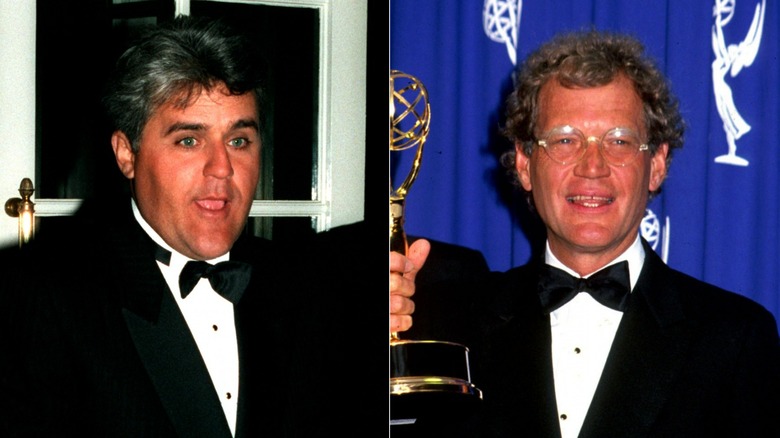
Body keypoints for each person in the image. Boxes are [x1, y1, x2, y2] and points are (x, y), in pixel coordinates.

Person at [0, 15, 401, 437]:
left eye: (239, 140)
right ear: (126, 153)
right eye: (189, 140)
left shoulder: (308, 289)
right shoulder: (41, 298)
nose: (222, 168)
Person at [393, 29, 780, 437]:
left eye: (619, 141)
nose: (591, 166)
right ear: (524, 163)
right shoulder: (446, 323)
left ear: (658, 164)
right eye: (564, 140)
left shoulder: (735, 338)